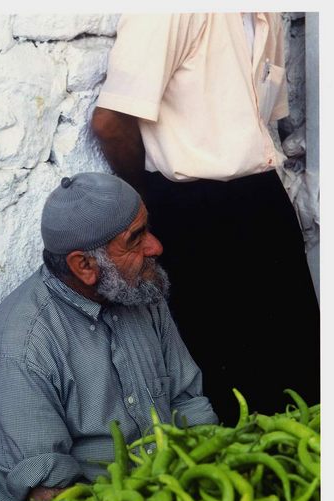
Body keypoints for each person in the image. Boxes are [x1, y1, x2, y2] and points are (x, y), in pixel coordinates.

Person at [91, 13, 320, 426]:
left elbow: (254, 121)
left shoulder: (267, 14)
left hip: (263, 198)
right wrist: (145, 201)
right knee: (237, 387)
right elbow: (110, 123)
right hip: (198, 211)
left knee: (304, 368)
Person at [0, 172, 218, 501]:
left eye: (147, 228)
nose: (156, 247)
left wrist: (213, 483)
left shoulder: (139, 291)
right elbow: (49, 500)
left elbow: (187, 403)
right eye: (135, 240)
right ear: (84, 265)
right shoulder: (21, 347)